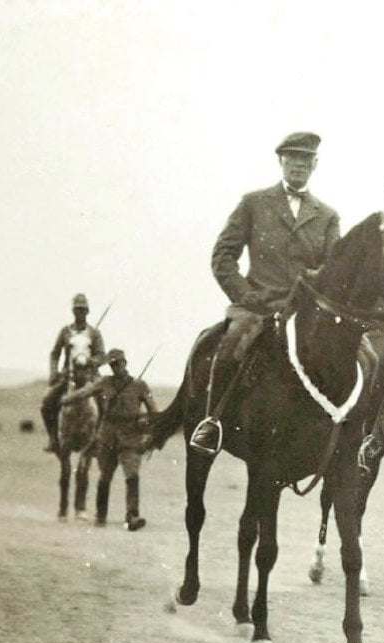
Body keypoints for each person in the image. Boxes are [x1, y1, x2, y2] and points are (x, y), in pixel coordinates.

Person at [189, 131, 341, 453]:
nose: (298, 165)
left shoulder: (328, 216)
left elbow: (333, 269)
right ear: (281, 161)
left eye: (305, 160)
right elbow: (223, 255)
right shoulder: (253, 203)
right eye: (292, 158)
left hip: (301, 310)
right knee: (233, 342)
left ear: (315, 165)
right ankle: (212, 422)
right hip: (257, 306)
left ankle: (339, 431)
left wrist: (313, 285)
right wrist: (244, 294)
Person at [62, 348, 157, 530]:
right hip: (107, 436)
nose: (115, 367)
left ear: (125, 363)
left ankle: (132, 516)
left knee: (132, 475)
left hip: (130, 436)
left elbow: (154, 411)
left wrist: (148, 428)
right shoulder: (104, 383)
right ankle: (101, 515)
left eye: (118, 363)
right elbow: (85, 392)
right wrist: (67, 400)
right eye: (112, 365)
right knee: (105, 476)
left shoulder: (140, 386)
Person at [40, 293, 106, 453]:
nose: (80, 313)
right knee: (47, 403)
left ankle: (99, 439)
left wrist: (92, 362)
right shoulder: (65, 332)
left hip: (91, 375)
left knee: (105, 400)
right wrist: (53, 372)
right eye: (77, 309)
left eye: (82, 310)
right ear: (73, 311)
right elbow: (55, 354)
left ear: (87, 312)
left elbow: (102, 356)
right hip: (68, 375)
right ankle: (53, 439)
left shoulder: (94, 333)